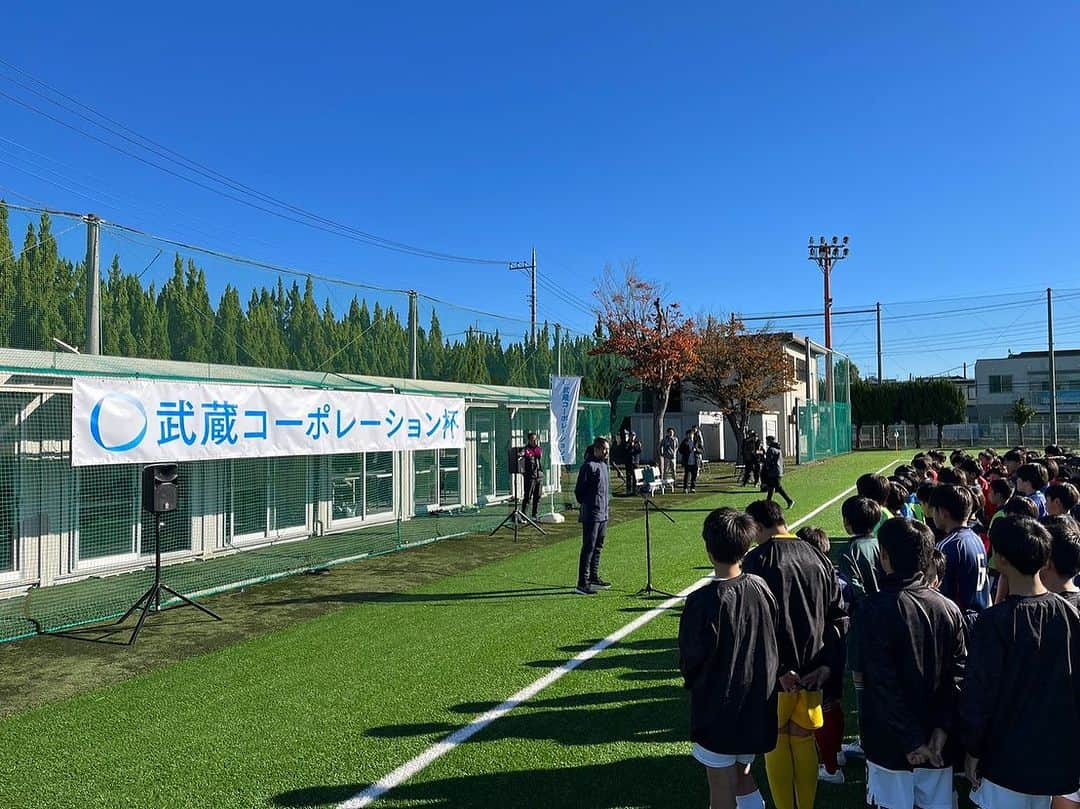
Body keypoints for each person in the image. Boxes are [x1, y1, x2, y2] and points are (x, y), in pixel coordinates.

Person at [959, 516, 1080, 807]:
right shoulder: (1068, 613)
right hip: (1051, 759)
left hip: (1005, 761)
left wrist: (972, 750)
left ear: (1001, 559)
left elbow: (979, 695)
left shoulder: (993, 622)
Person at [743, 500, 844, 809]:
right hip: (814, 670)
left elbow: (754, 625)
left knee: (776, 741)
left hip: (778, 676)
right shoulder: (818, 556)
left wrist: (776, 671)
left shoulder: (756, 560)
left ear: (757, 527)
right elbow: (838, 617)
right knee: (802, 737)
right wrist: (828, 666)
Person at [861, 518, 967, 809]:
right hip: (936, 744)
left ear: (884, 555)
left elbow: (881, 684)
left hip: (892, 744)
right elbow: (957, 679)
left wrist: (912, 741)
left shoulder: (874, 609)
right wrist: (939, 734)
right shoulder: (948, 608)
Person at [679, 509, 779, 809]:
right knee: (743, 775)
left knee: (721, 786)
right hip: (755, 700)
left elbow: (691, 657)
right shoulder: (761, 587)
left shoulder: (704, 601)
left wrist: (695, 682)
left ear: (709, 550)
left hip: (718, 705)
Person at [796, 525, 851, 784]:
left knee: (821, 708)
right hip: (838, 647)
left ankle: (829, 767)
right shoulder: (836, 575)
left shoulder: (814, 580)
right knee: (833, 703)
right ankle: (836, 754)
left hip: (822, 650)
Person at [838, 496, 883, 760]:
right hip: (888, 620)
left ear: (846, 523)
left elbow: (852, 590)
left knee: (861, 684)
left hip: (863, 625)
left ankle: (867, 740)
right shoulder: (882, 544)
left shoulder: (848, 551)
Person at [927, 484, 991, 632]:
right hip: (979, 618)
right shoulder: (976, 539)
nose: (932, 515)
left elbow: (939, 592)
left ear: (943, 512)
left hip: (959, 622)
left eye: (933, 510)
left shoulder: (948, 545)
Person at [573, 437, 611, 595]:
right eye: (604, 449)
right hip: (592, 514)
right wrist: (590, 504)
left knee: (598, 546)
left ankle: (594, 577)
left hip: (603, 514)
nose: (607, 452)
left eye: (607, 449)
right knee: (588, 547)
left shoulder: (603, 466)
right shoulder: (588, 466)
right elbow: (579, 491)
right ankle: (583, 582)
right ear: (597, 449)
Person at [761, 436, 794, 510]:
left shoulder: (771, 449)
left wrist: (766, 466)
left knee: (778, 487)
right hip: (778, 471)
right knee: (771, 488)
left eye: (767, 440)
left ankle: (789, 500)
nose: (766, 442)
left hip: (774, 472)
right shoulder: (778, 448)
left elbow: (769, 461)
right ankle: (768, 503)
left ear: (770, 441)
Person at [519, 432, 543, 519]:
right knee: (528, 497)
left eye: (536, 439)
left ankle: (534, 515)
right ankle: (524, 516)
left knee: (538, 497)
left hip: (539, 476)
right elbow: (520, 455)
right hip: (530, 476)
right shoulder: (526, 449)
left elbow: (541, 459)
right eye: (533, 439)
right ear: (529, 440)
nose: (535, 441)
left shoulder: (539, 449)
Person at [680, 428, 702, 494]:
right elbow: (680, 450)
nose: (690, 435)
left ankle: (693, 488)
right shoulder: (684, 442)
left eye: (691, 434)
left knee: (694, 476)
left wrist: (696, 450)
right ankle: (685, 488)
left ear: (693, 435)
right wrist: (687, 451)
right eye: (688, 434)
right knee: (687, 475)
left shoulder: (696, 441)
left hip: (695, 461)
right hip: (687, 461)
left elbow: (701, 449)